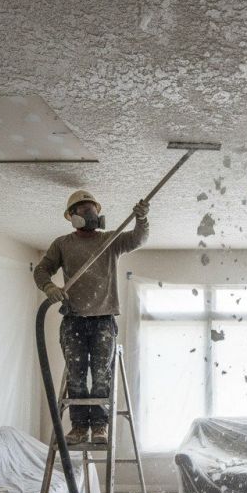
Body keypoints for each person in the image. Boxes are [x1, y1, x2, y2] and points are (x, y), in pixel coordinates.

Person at [34, 190, 150, 445]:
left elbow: (138, 239)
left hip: (103, 320)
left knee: (101, 374)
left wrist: (141, 219)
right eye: (85, 211)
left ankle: (99, 426)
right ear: (73, 217)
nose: (92, 215)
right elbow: (42, 270)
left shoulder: (110, 240)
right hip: (74, 319)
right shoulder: (62, 244)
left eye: (93, 210)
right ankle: (78, 427)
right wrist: (50, 287)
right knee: (76, 373)